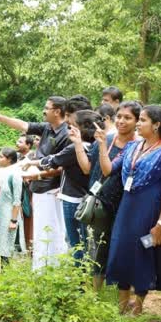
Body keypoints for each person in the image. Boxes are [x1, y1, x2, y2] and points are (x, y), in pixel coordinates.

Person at [103, 105, 161, 315]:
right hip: (127, 207)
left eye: (143, 120)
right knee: (121, 250)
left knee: (142, 253)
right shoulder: (132, 146)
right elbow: (109, 169)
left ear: (156, 125)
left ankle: (138, 307)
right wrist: (101, 145)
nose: (138, 124)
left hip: (150, 210)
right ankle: (121, 307)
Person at [0, 97, 71, 269]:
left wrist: (36, 176)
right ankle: (41, 268)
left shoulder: (66, 134)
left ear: (57, 111)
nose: (43, 111)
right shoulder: (47, 128)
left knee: (52, 231)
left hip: (51, 190)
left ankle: (54, 268)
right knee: (39, 232)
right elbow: (23, 125)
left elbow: (63, 166)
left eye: (47, 108)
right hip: (37, 187)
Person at [73, 101, 141, 290]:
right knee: (99, 245)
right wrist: (78, 143)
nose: (121, 121)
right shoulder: (107, 139)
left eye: (128, 118)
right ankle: (96, 291)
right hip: (101, 203)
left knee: (121, 245)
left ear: (137, 121)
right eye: (119, 116)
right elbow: (87, 168)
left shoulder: (139, 146)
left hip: (125, 203)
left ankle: (124, 286)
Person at [33, 110, 102, 265]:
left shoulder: (76, 148)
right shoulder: (94, 146)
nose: (69, 130)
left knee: (76, 241)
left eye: (72, 126)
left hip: (73, 198)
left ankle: (80, 279)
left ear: (82, 129)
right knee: (84, 239)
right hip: (84, 197)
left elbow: (53, 161)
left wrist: (30, 166)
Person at [0, 148, 22, 266]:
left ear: (9, 159)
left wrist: (13, 220)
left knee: (7, 247)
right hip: (1, 214)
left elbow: (17, 200)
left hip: (10, 214)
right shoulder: (2, 174)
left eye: (1, 157)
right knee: (1, 246)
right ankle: (4, 274)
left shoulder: (15, 175)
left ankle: (8, 274)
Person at [15, 136, 36, 253]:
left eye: (20, 142)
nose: (17, 144)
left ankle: (31, 250)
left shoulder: (33, 158)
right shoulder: (18, 158)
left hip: (30, 195)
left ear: (28, 145)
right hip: (19, 196)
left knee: (30, 223)